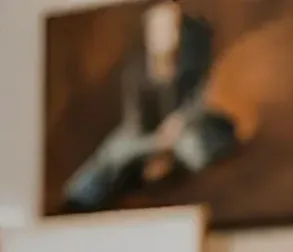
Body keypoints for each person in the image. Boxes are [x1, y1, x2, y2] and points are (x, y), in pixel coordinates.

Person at [64, 0, 238, 211]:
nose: (166, 35)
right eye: (159, 29)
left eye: (171, 27)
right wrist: (157, 144)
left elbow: (200, 97)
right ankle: (83, 195)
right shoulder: (136, 73)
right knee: (113, 152)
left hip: (184, 131)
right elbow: (136, 123)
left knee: (196, 147)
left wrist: (180, 122)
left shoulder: (193, 58)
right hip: (148, 137)